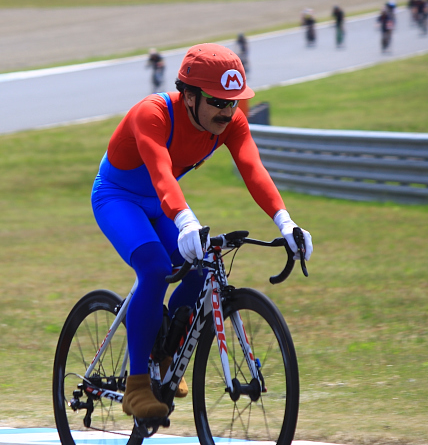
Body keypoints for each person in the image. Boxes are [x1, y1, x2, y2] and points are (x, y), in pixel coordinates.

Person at [91, 43, 313, 419]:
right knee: (154, 268)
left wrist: (285, 221)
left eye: (233, 102)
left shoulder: (229, 121)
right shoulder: (154, 114)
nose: (228, 112)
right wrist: (184, 220)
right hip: (120, 197)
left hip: (162, 201)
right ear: (189, 96)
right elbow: (161, 172)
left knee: (202, 265)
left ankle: (164, 351)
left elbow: (252, 168)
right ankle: (138, 385)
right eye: (218, 102)